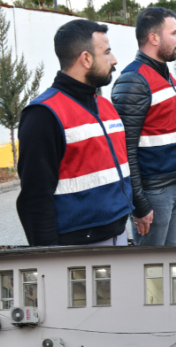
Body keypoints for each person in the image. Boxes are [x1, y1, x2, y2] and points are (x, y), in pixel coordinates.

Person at [17, 19, 131, 247]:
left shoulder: (105, 106)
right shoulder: (43, 115)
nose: (115, 60)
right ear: (86, 59)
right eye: (107, 52)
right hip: (78, 247)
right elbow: (36, 200)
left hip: (118, 235)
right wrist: (51, 262)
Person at [111, 7, 176, 245]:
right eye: (174, 33)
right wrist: (139, 203)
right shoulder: (134, 80)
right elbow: (125, 149)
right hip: (154, 192)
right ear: (154, 38)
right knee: (150, 268)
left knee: (168, 262)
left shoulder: (165, 74)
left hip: (174, 185)